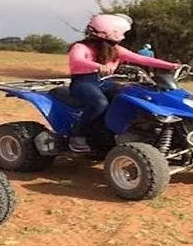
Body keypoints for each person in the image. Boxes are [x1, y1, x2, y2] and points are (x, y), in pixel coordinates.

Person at [67, 14, 180, 152]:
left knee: (131, 96)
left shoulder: (115, 50)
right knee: (99, 103)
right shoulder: (80, 47)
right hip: (83, 82)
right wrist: (98, 66)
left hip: (105, 82)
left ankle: (120, 132)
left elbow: (141, 59)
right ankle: (77, 135)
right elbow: (77, 60)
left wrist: (170, 65)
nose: (123, 36)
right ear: (108, 31)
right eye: (120, 32)